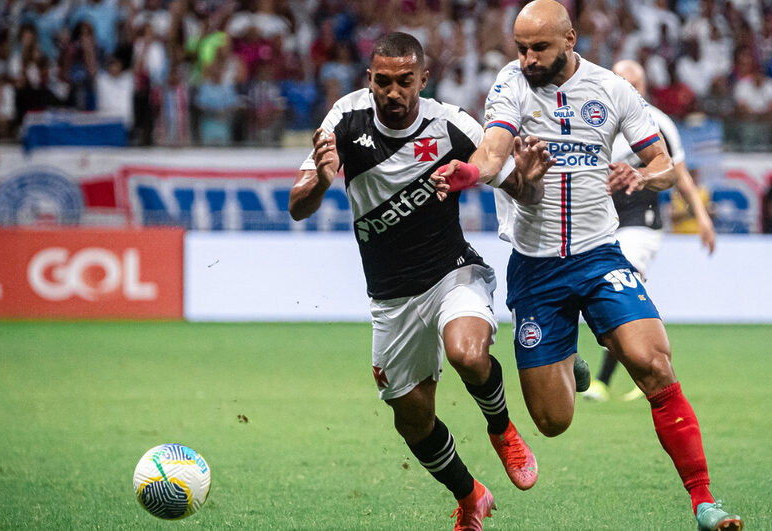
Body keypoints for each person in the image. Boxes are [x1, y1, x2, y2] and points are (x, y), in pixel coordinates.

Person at [433, 2, 743, 530]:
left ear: (571, 39)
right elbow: (492, 150)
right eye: (521, 48)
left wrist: (644, 178)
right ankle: (571, 362)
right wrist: (468, 173)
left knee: (653, 364)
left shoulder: (614, 90)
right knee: (553, 422)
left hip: (601, 256)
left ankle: (704, 502)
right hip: (536, 269)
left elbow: (665, 165)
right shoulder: (510, 85)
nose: (528, 59)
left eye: (540, 48)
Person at [289, 32, 553, 531]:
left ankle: (502, 430)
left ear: (422, 80)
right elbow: (297, 207)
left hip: (453, 271)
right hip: (392, 298)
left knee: (468, 355)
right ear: (370, 79)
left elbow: (516, 186)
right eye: (382, 81)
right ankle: (471, 494)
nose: (393, 92)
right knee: (413, 420)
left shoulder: (453, 125)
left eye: (404, 81)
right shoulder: (344, 120)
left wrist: (528, 176)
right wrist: (322, 181)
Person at [583, 59, 716, 403]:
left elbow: (679, 172)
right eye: (620, 81)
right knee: (611, 296)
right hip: (599, 223)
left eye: (633, 83)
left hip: (640, 223)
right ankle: (652, 361)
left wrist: (701, 216)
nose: (626, 88)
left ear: (642, 87)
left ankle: (602, 381)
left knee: (621, 285)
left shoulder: (657, 122)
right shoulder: (593, 120)